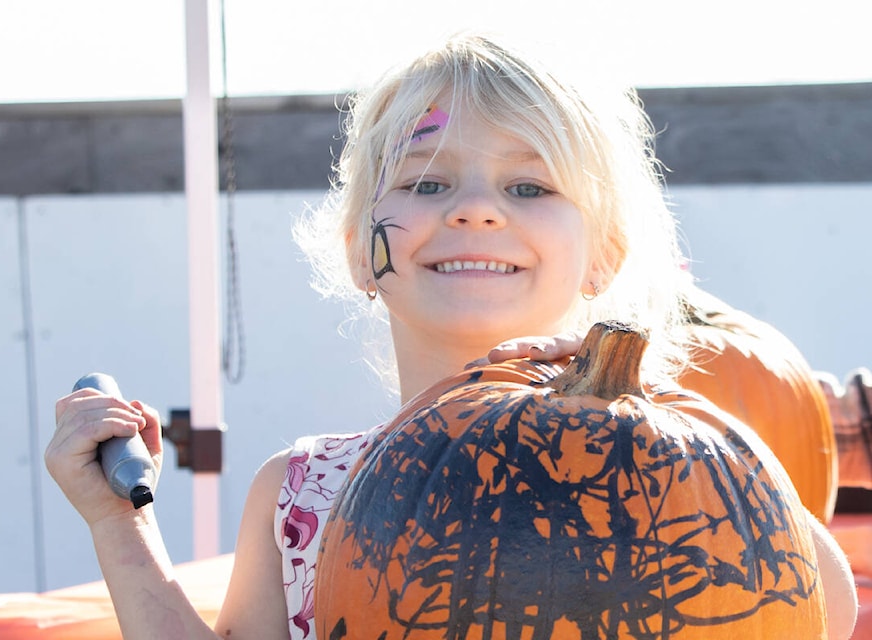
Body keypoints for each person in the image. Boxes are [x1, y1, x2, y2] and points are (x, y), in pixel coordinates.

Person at [45, 33, 858, 640]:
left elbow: (822, 600)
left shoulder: (671, 471)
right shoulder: (300, 491)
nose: (476, 208)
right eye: (426, 181)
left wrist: (660, 422)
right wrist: (120, 527)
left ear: (603, 254)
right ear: (362, 252)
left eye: (529, 184)